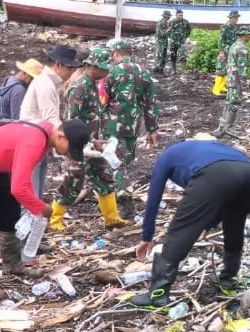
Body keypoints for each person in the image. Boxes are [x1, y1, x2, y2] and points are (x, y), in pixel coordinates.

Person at [0, 118, 92, 300]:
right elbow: (19, 188)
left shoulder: (45, 137)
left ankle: (13, 263)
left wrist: (34, 204)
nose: (69, 155)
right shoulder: (35, 141)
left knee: (10, 212)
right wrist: (41, 208)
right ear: (61, 136)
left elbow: (22, 179)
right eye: (70, 150)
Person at [129, 135, 250, 307]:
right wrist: (208, 224)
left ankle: (157, 295)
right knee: (234, 224)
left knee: (179, 232)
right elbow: (223, 195)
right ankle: (228, 282)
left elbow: (154, 197)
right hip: (249, 173)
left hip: (214, 175)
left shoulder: (167, 156)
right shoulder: (206, 146)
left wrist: (147, 237)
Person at [50, 48, 127, 230]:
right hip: (78, 146)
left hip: (91, 144)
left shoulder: (92, 84)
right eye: (104, 69)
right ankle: (54, 221)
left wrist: (95, 141)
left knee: (104, 178)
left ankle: (111, 218)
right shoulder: (80, 87)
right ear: (91, 66)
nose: (107, 72)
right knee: (72, 183)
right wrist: (78, 147)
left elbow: (92, 119)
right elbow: (74, 124)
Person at [104, 40, 160, 220]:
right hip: (134, 124)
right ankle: (120, 193)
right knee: (125, 161)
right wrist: (152, 129)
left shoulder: (111, 72)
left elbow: (102, 98)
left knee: (115, 162)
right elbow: (150, 104)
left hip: (113, 124)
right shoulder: (144, 73)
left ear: (115, 53)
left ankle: (125, 200)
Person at [19, 45, 83, 197]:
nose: (71, 73)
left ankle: (34, 215)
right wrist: (67, 143)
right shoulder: (45, 84)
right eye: (69, 68)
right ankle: (29, 217)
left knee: (37, 184)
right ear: (58, 65)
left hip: (38, 138)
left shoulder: (49, 82)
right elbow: (50, 118)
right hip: (32, 139)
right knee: (32, 189)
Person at [215, 26, 250, 137]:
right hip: (237, 80)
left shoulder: (233, 45)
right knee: (234, 103)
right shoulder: (242, 48)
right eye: (249, 34)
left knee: (229, 102)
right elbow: (242, 67)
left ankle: (222, 126)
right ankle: (229, 127)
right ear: (245, 35)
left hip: (230, 78)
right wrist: (244, 82)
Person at [213, 10, 240, 96]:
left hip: (232, 51)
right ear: (230, 18)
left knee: (228, 70)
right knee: (221, 69)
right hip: (224, 50)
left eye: (237, 18)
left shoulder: (235, 28)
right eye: (234, 18)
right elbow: (220, 40)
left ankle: (222, 86)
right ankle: (216, 89)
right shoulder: (225, 27)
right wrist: (221, 51)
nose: (236, 19)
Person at [168, 10, 192, 74]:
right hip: (173, 42)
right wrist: (170, 37)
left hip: (181, 42)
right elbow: (168, 30)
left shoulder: (185, 22)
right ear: (176, 15)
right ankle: (174, 70)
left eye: (181, 15)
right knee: (173, 55)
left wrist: (185, 37)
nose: (180, 16)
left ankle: (183, 71)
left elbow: (189, 30)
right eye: (179, 15)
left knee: (183, 56)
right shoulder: (172, 21)